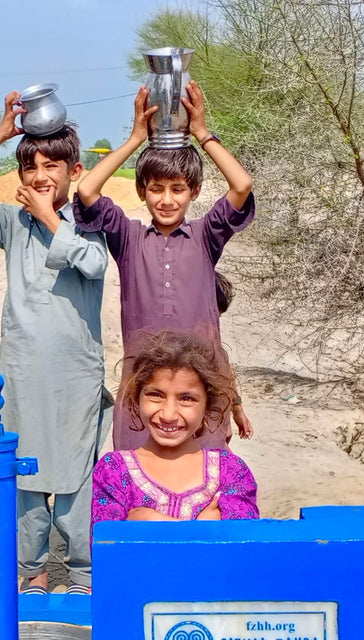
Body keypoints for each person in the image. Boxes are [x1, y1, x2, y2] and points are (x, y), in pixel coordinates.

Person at [0, 92, 110, 596]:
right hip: (22, 376)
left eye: (52, 166)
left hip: (77, 379)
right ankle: (33, 571)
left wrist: (49, 217)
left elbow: (93, 264)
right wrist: (1, 133)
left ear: (74, 170)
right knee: (26, 477)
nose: (41, 176)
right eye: (31, 167)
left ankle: (83, 574)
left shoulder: (91, 221)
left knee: (79, 476)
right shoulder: (11, 224)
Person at [74, 81, 255, 451]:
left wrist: (203, 133)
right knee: (141, 489)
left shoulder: (206, 236)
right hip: (144, 393)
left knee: (202, 490)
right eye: (156, 189)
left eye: (178, 189)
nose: (167, 200)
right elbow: (87, 191)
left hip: (201, 393)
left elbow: (242, 184)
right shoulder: (128, 237)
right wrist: (136, 138)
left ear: (195, 192)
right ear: (142, 191)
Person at [91, 333, 258, 527]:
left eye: (186, 398)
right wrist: (204, 529)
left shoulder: (230, 471)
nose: (168, 415)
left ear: (207, 405)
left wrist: (151, 521)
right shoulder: (113, 471)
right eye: (155, 395)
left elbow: (241, 547)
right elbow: (106, 549)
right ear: (137, 399)